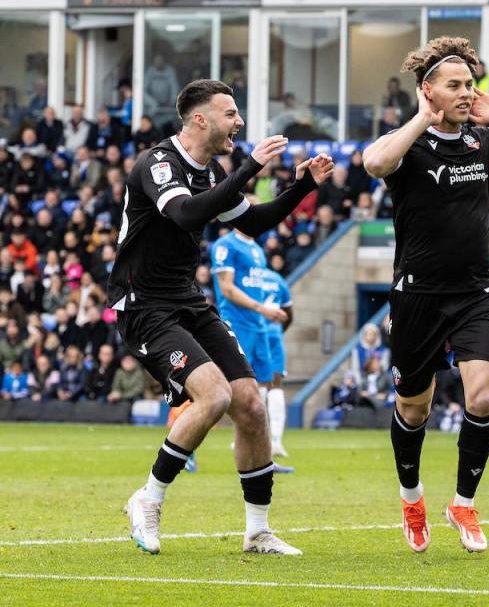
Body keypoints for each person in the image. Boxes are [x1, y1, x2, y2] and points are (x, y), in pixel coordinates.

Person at [112, 79, 334, 557]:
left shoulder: (211, 171)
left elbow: (251, 222)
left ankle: (257, 531)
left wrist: (302, 187)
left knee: (251, 406)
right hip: (144, 304)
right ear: (200, 119)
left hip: (188, 301)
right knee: (212, 397)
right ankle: (147, 499)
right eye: (231, 113)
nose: (239, 122)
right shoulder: (158, 163)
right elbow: (186, 215)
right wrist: (252, 166)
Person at [361, 37, 489, 554]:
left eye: (469, 84)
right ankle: (412, 497)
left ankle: (464, 503)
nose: (466, 93)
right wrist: (420, 121)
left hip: (476, 293)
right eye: (455, 85)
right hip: (417, 296)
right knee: (414, 410)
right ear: (427, 90)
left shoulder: (480, 140)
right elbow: (374, 164)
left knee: (481, 394)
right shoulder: (407, 144)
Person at [210, 231, 295, 470]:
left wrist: (264, 314)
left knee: (261, 391)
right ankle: (187, 451)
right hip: (236, 324)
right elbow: (226, 289)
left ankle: (263, 455)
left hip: (260, 329)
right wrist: (262, 308)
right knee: (217, 389)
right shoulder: (225, 245)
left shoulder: (258, 251)